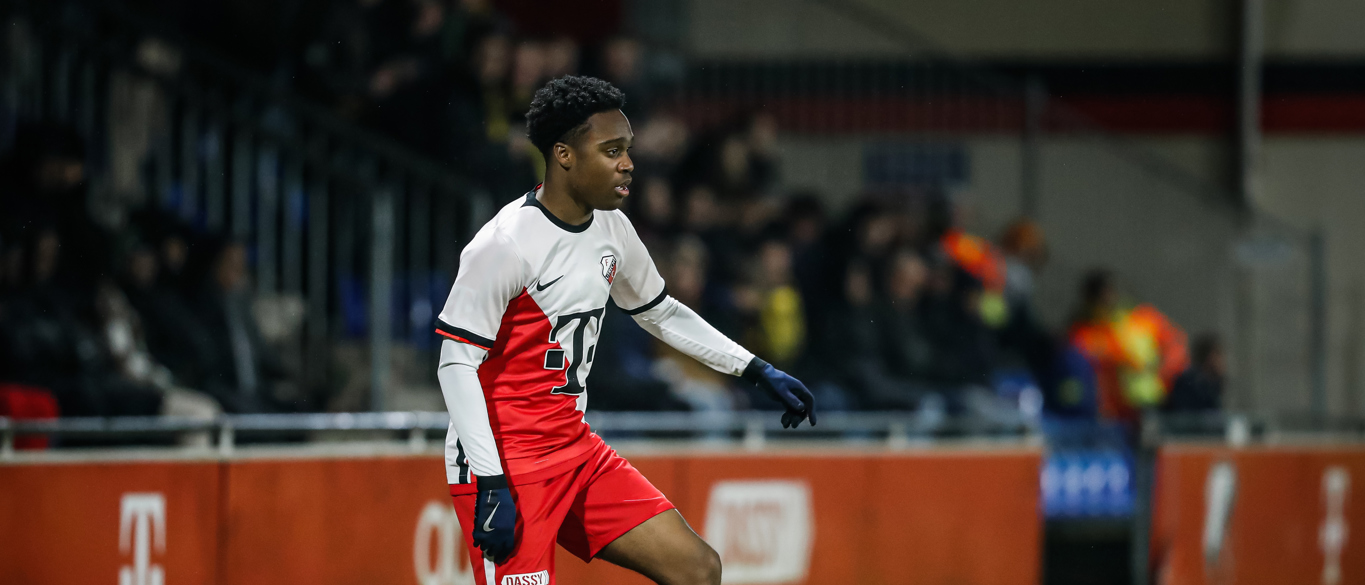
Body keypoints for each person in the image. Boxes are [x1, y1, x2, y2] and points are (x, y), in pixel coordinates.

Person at [435, 76, 816, 585]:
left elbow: (660, 311)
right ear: (564, 155)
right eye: (612, 151)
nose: (628, 163)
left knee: (698, 569)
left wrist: (754, 368)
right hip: (508, 463)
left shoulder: (612, 227)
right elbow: (455, 362)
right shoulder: (505, 244)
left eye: (628, 149)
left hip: (575, 450)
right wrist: (490, 480)